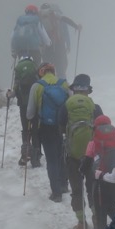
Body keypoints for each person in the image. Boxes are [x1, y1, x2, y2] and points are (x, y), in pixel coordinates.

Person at [59, 74, 103, 229]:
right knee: (92, 187)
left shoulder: (66, 106)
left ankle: (81, 223)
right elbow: (102, 129)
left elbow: (61, 127)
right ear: (88, 91)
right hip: (91, 156)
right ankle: (97, 218)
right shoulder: (95, 107)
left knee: (77, 190)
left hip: (72, 155)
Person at [27, 63, 69, 202]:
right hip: (63, 126)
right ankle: (64, 185)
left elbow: (29, 113)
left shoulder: (37, 86)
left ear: (42, 72)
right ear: (54, 71)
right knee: (62, 155)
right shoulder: (64, 84)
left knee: (51, 160)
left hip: (46, 127)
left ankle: (56, 193)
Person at [81, 115, 115, 229]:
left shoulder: (93, 143)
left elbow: (87, 164)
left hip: (99, 184)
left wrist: (82, 170)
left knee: (101, 214)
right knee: (112, 207)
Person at [7, 55, 41, 167]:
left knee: (25, 129)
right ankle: (36, 158)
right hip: (35, 105)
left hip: (23, 105)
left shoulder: (18, 69)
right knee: (35, 129)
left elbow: (15, 88)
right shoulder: (34, 67)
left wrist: (10, 94)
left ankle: (25, 154)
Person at [39, 3, 82, 79]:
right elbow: (65, 20)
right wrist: (76, 26)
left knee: (47, 69)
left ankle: (47, 86)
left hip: (46, 48)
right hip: (58, 46)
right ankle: (62, 86)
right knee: (61, 69)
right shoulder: (54, 15)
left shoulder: (38, 18)